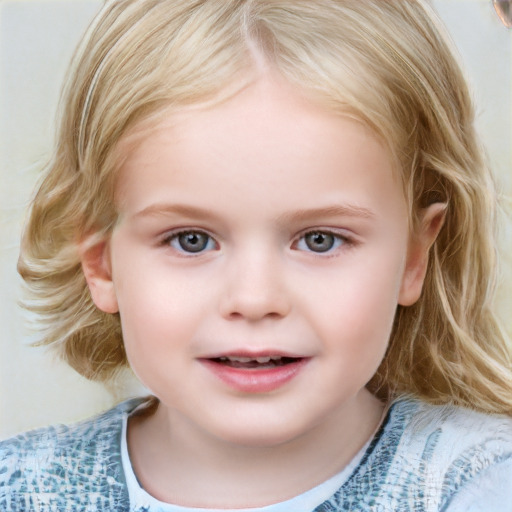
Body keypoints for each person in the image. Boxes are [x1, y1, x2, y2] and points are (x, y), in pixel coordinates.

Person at [1, 0, 512, 510]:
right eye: (191, 240)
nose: (254, 298)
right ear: (101, 263)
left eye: (320, 240)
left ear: (413, 258)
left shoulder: (478, 486)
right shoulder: (20, 489)